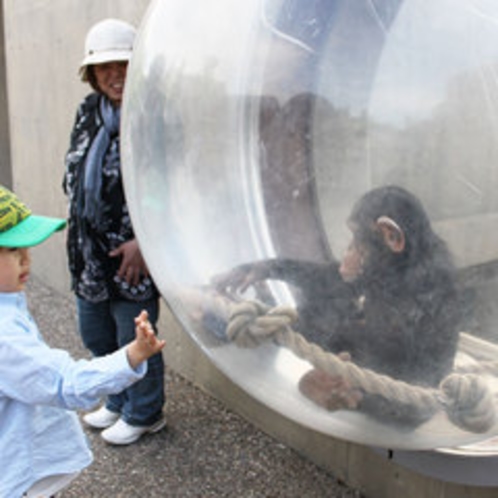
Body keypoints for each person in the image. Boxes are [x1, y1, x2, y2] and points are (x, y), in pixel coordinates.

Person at [0, 185, 165, 498]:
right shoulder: (4, 335)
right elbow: (64, 382)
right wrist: (132, 355)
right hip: (15, 475)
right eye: (12, 250)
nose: (26, 259)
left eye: (26, 247)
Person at [62, 18, 166, 445]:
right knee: (97, 334)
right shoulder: (89, 111)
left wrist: (145, 240)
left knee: (133, 334)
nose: (114, 75)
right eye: (104, 66)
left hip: (132, 255)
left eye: (122, 63)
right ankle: (119, 401)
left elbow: (169, 182)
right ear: (91, 73)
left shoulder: (153, 113)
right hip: (90, 252)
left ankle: (145, 412)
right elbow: (72, 166)